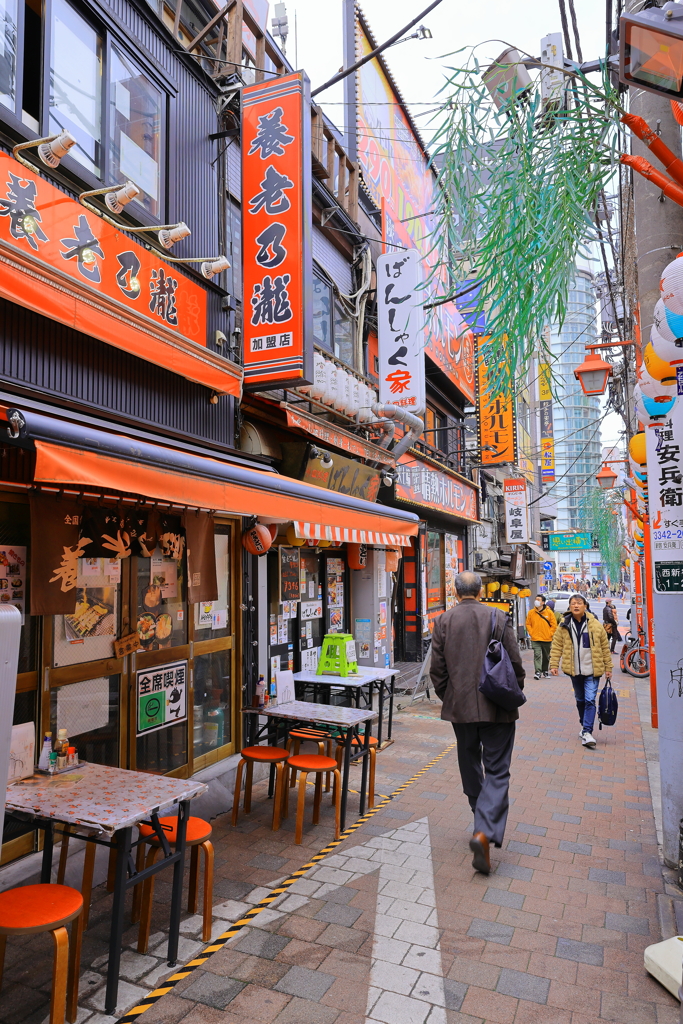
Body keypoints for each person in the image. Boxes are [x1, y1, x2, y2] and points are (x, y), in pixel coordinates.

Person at [430, 570, 525, 875]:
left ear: (455, 592)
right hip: (497, 706)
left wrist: (451, 697)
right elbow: (515, 661)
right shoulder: (498, 617)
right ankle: (484, 830)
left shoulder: (443, 621)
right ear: (481, 592)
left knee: (469, 761)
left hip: (461, 708)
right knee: (497, 770)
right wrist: (513, 691)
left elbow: (437, 671)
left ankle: (478, 820)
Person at [549, 594, 612, 748]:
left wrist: (608, 667)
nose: (576, 606)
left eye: (579, 603)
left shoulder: (595, 625)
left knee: (590, 699)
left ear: (585, 606)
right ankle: (584, 725)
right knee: (580, 700)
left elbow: (605, 647)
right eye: (573, 603)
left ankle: (587, 732)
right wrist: (554, 664)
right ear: (569, 607)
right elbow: (557, 645)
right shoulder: (564, 624)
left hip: (592, 669)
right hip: (574, 670)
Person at [525, 594, 557, 678]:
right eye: (536, 599)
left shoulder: (549, 613)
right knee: (537, 655)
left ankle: (545, 670)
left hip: (546, 638)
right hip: (535, 638)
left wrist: (550, 633)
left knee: (546, 656)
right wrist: (531, 632)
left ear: (543, 602)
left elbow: (554, 625)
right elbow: (528, 624)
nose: (536, 601)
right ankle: (538, 672)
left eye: (538, 599)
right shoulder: (531, 613)